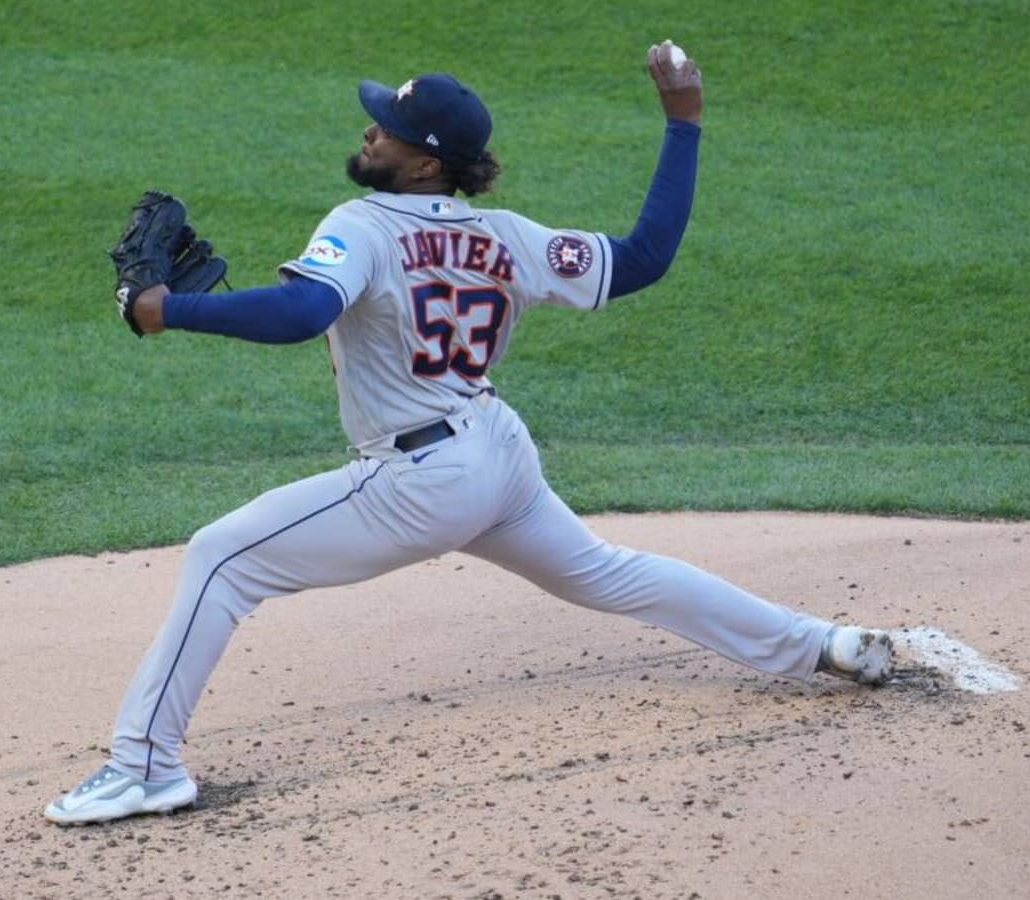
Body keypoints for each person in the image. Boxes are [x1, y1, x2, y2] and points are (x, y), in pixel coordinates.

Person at [46, 41, 895, 826]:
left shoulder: (362, 220)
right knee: (607, 572)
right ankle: (821, 645)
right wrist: (683, 126)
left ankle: (144, 765)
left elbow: (306, 311)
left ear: (424, 162)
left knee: (221, 559)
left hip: (421, 481)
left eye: (390, 128)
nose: (371, 128)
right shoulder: (506, 235)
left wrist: (170, 311)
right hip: (497, 452)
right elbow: (642, 260)